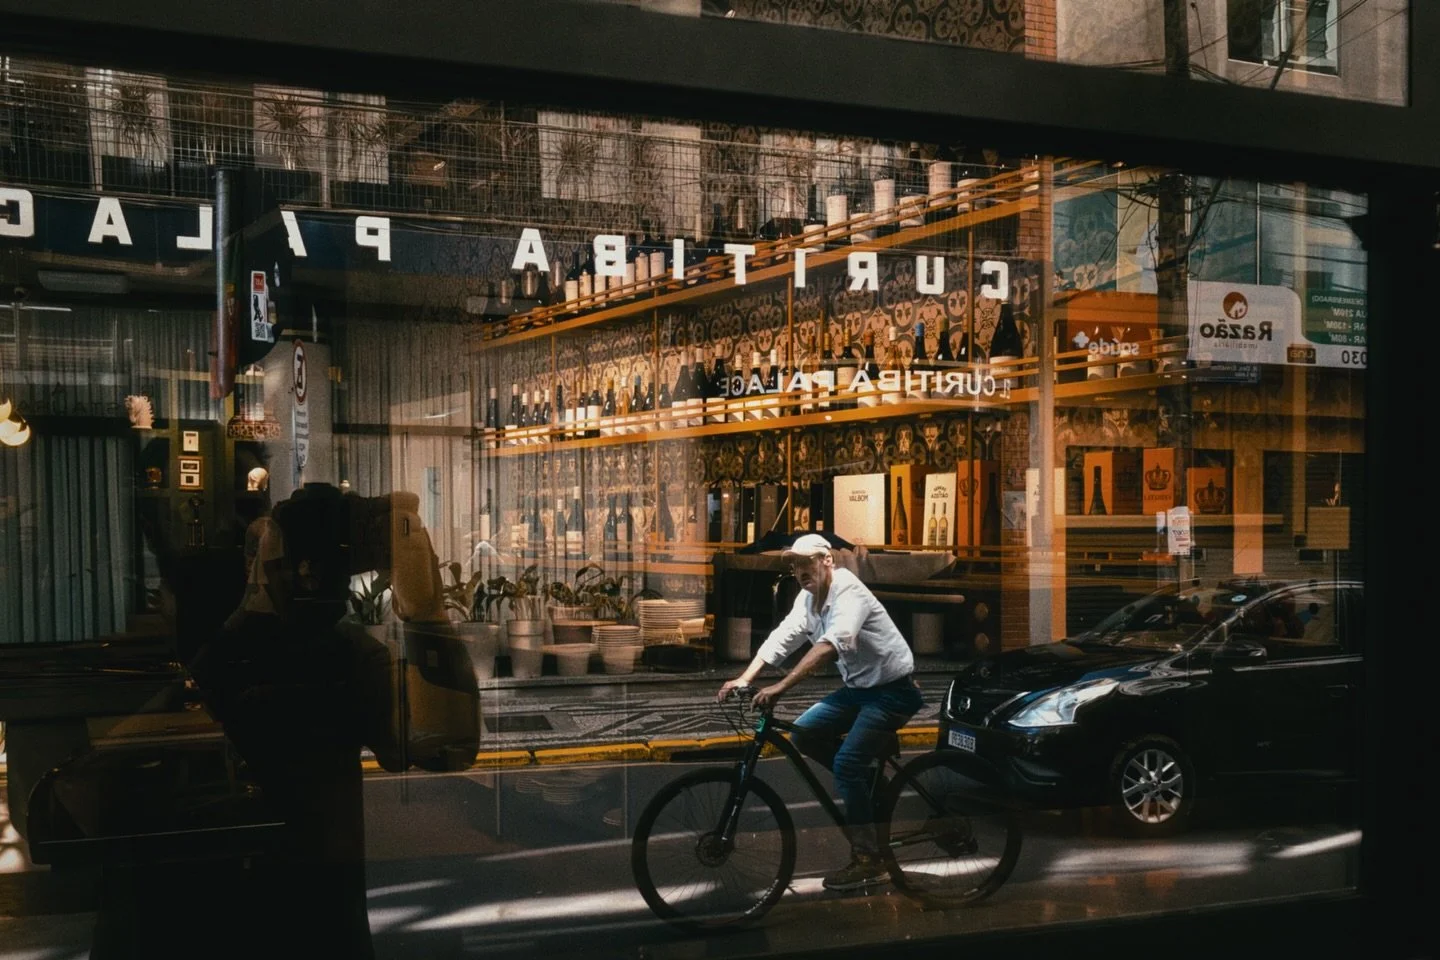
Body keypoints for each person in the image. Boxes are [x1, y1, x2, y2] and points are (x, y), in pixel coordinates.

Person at [716, 533, 923, 891]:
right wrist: (745, 677)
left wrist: (779, 688)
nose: (799, 570)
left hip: (891, 693)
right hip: (859, 690)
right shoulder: (808, 599)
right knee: (802, 733)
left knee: (845, 765)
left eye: (806, 561)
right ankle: (870, 784)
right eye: (794, 564)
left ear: (827, 561)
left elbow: (829, 647)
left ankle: (868, 859)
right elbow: (784, 636)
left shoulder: (848, 591)